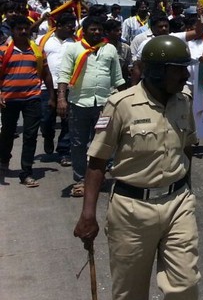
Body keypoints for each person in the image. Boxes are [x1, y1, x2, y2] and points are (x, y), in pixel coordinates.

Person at [73, 35, 199, 300]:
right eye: (178, 69)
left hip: (178, 203)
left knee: (185, 285)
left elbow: (188, 147)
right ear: (156, 71)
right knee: (129, 295)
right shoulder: (121, 105)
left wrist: (188, 189)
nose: (185, 75)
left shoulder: (184, 100)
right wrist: (88, 214)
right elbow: (97, 162)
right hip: (131, 209)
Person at [56, 15, 126, 197]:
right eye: (93, 29)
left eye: (99, 29)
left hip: (104, 104)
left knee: (104, 142)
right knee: (78, 143)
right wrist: (61, 98)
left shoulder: (109, 49)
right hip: (79, 103)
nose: (96, 32)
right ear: (84, 31)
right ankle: (80, 179)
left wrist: (127, 100)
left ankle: (100, 177)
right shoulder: (74, 49)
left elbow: (117, 78)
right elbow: (64, 74)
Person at [0, 15, 55, 186]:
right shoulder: (3, 50)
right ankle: (3, 160)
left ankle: (26, 172)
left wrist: (52, 96)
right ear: (12, 31)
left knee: (31, 136)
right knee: (7, 133)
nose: (23, 31)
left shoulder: (37, 50)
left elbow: (46, 73)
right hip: (9, 99)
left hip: (32, 98)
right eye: (19, 29)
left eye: (26, 28)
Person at [40, 11, 76, 166]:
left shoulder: (75, 42)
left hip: (69, 87)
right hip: (46, 87)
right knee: (46, 119)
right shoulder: (44, 40)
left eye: (74, 26)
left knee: (68, 121)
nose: (72, 29)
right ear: (59, 26)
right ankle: (48, 137)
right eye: (69, 26)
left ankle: (64, 151)